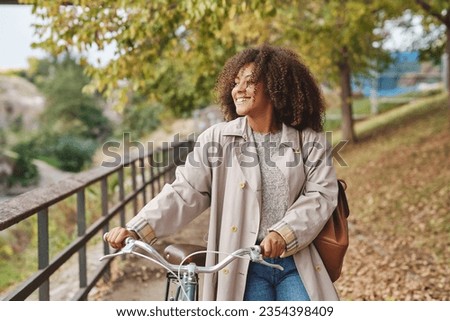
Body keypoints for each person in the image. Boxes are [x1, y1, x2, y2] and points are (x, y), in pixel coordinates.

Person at [105, 44, 339, 301]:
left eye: (250, 82)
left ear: (275, 88)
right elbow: (185, 192)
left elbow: (321, 195)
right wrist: (137, 229)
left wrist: (283, 233)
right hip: (242, 267)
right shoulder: (217, 139)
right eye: (236, 82)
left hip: (296, 261)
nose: (238, 89)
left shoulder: (310, 140)